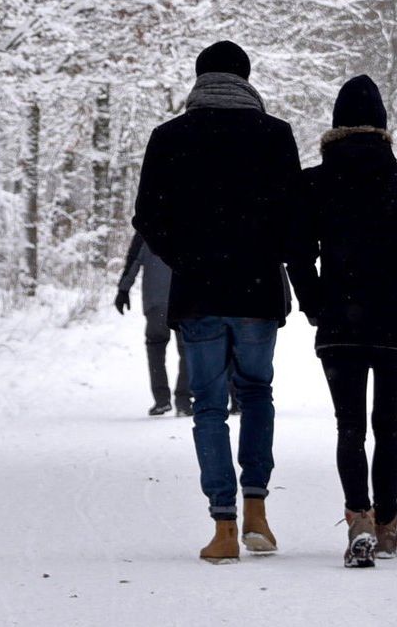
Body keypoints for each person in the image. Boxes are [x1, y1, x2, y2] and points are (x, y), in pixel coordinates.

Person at [130, 40, 305, 564]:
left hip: (199, 290)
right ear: (246, 79)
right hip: (255, 290)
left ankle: (223, 528)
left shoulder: (169, 137)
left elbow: (146, 216)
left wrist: (186, 257)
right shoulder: (275, 136)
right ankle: (258, 511)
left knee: (208, 407)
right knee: (256, 393)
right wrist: (270, 256)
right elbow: (295, 216)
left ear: (199, 79)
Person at [290, 74, 397, 569]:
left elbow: (297, 253)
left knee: (349, 425)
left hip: (339, 323)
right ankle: (387, 528)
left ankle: (358, 516)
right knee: (389, 423)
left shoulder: (313, 182)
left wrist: (315, 303)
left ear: (336, 126)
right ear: (382, 126)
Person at [114, 230, 190, 416]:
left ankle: (161, 399)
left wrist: (123, 290)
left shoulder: (147, 229)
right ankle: (183, 400)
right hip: (185, 302)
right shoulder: (191, 224)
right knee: (188, 350)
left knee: (156, 347)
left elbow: (133, 261)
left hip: (157, 304)